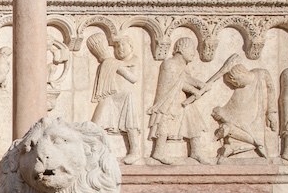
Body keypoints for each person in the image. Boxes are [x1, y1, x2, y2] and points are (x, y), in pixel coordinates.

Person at [147, 37, 206, 164]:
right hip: (167, 101)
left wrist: (200, 84)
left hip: (180, 100)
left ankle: (196, 151)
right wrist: (195, 90)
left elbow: (185, 78)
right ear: (182, 48)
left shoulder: (184, 66)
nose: (194, 53)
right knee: (164, 123)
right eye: (192, 49)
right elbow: (177, 82)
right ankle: (159, 152)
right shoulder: (169, 63)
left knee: (193, 118)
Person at [88, 33, 142, 164]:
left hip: (127, 97)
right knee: (99, 121)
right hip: (112, 96)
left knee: (131, 124)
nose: (120, 48)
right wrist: (109, 63)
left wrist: (115, 64)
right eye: (117, 46)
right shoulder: (113, 62)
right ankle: (94, 149)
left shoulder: (134, 60)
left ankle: (135, 151)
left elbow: (133, 78)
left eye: (123, 45)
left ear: (131, 46)